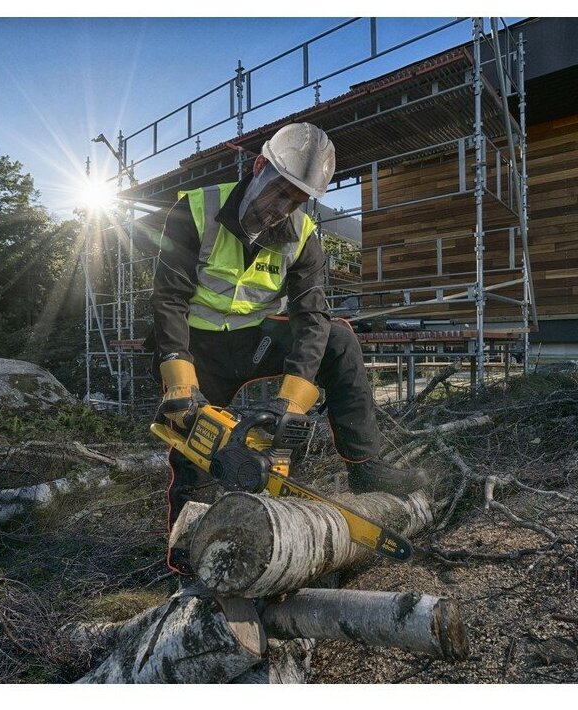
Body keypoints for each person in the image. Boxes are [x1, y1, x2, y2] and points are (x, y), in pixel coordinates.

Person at [150, 122, 429, 574]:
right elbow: (168, 300)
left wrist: (292, 403)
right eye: (279, 194)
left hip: (254, 340)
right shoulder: (196, 210)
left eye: (296, 201)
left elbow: (310, 316)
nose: (283, 209)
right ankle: (186, 555)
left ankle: (366, 463)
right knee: (196, 451)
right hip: (194, 344)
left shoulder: (303, 235)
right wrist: (179, 383)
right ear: (259, 167)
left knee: (338, 337)